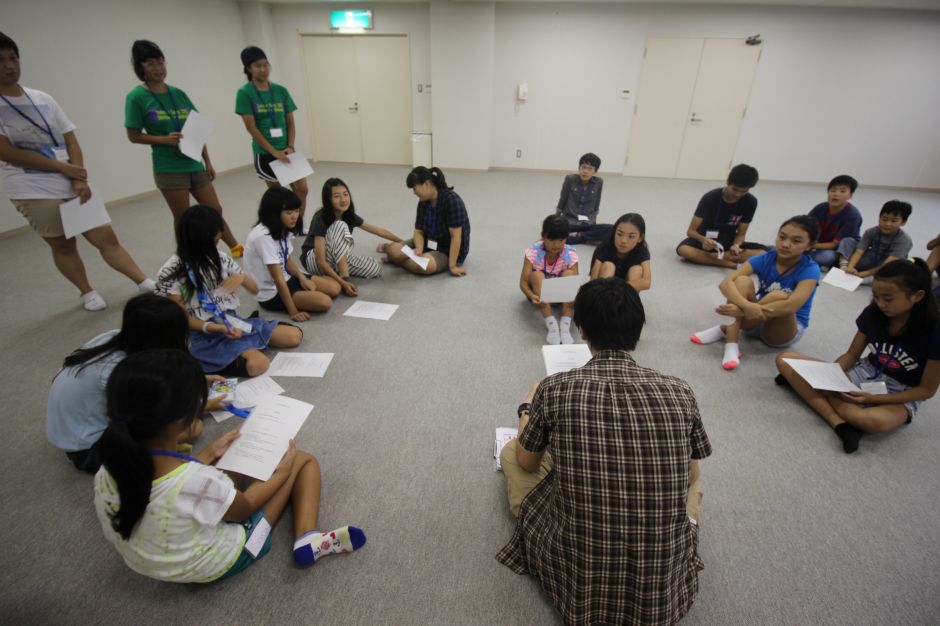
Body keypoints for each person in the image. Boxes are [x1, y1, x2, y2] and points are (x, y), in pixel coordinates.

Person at [497, 278, 711, 625]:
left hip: (579, 574)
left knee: (512, 453)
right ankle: (683, 525)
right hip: (658, 592)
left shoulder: (554, 388)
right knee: (695, 481)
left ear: (582, 330)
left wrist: (526, 408)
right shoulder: (680, 391)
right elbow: (691, 476)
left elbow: (527, 460)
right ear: (638, 328)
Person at [94, 349, 366, 583]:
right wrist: (282, 473)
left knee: (233, 463)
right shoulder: (197, 482)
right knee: (302, 460)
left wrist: (210, 452)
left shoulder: (111, 465)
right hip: (220, 559)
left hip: (153, 561)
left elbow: (179, 482)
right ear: (182, 419)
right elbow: (243, 508)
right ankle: (307, 535)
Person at [0, 32, 155, 312]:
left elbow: (70, 139)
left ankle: (143, 282)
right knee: (64, 245)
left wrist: (77, 176)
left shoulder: (42, 98)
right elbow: (7, 152)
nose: (10, 66)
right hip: (31, 187)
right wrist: (63, 168)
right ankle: (87, 292)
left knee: (106, 237)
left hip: (70, 179)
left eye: (13, 58)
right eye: (1, 61)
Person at [775, 259, 939, 454]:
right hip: (866, 372)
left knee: (872, 421)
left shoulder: (935, 331)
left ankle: (817, 395)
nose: (880, 304)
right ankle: (840, 424)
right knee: (785, 359)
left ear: (917, 296)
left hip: (902, 390)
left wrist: (874, 399)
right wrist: (834, 376)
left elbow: (926, 391)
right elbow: (852, 354)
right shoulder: (873, 312)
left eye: (888, 298)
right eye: (875, 296)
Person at [46, 294, 222, 474]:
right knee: (192, 428)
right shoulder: (123, 373)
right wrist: (202, 406)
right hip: (89, 449)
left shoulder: (115, 337)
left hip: (73, 430)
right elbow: (151, 417)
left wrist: (199, 379)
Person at [125, 40, 242, 256]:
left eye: (160, 62)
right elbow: (133, 135)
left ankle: (234, 246)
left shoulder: (178, 94)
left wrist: (207, 161)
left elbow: (197, 128)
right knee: (183, 216)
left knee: (214, 209)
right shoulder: (137, 97)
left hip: (193, 161)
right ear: (140, 68)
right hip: (169, 167)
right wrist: (163, 140)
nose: (158, 68)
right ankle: (186, 255)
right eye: (151, 64)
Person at [155, 204, 302, 376]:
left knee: (293, 336)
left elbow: (256, 290)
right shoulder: (172, 271)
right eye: (212, 242)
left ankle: (242, 349)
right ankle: (210, 358)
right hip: (201, 333)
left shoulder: (220, 258)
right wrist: (216, 328)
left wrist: (242, 278)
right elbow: (180, 320)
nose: (214, 247)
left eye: (217, 241)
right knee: (258, 364)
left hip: (230, 322)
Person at [691, 216, 820, 370]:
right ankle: (731, 344)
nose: (785, 244)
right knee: (742, 281)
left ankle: (725, 327)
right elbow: (725, 284)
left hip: (782, 329)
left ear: (810, 245)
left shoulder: (810, 269)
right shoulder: (765, 258)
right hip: (754, 317)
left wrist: (741, 311)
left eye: (796, 241)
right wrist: (746, 306)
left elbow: (791, 306)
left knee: (779, 296)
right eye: (782, 237)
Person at [235, 46, 307, 234]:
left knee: (302, 188)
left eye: (266, 64)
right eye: (258, 66)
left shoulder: (281, 91)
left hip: (287, 150)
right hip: (266, 153)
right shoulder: (245, 93)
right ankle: (278, 229)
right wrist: (273, 151)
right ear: (248, 68)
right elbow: (251, 127)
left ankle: (296, 227)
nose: (263, 69)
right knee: (278, 197)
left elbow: (290, 121)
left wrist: (290, 145)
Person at [244, 187, 339, 319]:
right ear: (274, 213)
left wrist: (302, 278)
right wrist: (293, 312)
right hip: (271, 291)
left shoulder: (281, 227)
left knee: (335, 288)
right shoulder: (263, 237)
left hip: (287, 277)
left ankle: (305, 292)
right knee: (325, 302)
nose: (295, 216)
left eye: (297, 211)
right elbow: (278, 279)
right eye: (289, 212)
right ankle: (300, 297)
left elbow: (286, 260)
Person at [301, 177, 403, 296]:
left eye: (345, 194)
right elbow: (320, 260)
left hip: (335, 259)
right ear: (328, 200)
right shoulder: (321, 218)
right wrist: (344, 282)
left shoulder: (348, 215)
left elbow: (378, 230)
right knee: (340, 225)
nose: (343, 200)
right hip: (314, 261)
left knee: (374, 268)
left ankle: (333, 275)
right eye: (337, 196)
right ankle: (343, 276)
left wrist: (402, 242)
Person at [383, 166, 470, 276]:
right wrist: (419, 247)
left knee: (422, 265)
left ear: (427, 184)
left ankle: (397, 261)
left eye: (415, 188)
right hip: (428, 241)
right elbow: (418, 231)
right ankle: (398, 258)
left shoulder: (452, 201)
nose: (414, 192)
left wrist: (452, 266)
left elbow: (456, 237)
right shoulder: (423, 202)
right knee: (392, 250)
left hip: (446, 250)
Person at [676, 163, 766, 269]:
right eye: (735, 189)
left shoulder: (751, 202)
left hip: (729, 241)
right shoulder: (710, 198)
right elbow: (691, 231)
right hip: (705, 239)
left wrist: (736, 245)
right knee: (684, 250)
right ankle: (732, 264)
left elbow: (741, 235)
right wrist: (703, 239)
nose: (738, 194)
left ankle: (711, 257)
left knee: (763, 253)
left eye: (744, 191)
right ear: (727, 182)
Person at [519, 215, 580, 345]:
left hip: (561, 297)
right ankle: (551, 325)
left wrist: (574, 297)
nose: (556, 245)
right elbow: (523, 282)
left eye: (561, 240)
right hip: (538, 295)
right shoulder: (533, 252)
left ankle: (565, 326)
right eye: (551, 240)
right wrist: (531, 295)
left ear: (566, 238)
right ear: (543, 236)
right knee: (537, 275)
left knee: (570, 274)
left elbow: (575, 284)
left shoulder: (570, 254)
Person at [839, 200, 913, 279]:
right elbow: (859, 252)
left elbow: (888, 263)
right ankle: (844, 267)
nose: (888, 224)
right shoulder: (871, 231)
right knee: (847, 241)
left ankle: (869, 277)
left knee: (892, 272)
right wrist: (850, 268)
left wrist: (861, 274)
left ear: (903, 222)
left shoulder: (905, 240)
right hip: (870, 259)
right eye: (884, 219)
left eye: (894, 221)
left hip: (886, 267)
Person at [555, 152, 612, 245]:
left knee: (611, 229)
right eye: (583, 167)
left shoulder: (599, 182)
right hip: (569, 222)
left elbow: (597, 202)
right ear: (579, 168)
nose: (585, 171)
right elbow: (563, 199)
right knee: (556, 233)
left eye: (590, 169)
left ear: (595, 171)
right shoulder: (570, 179)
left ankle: (578, 236)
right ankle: (585, 237)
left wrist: (593, 221)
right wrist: (556, 219)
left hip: (587, 223)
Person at [808, 174, 863, 270]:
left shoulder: (853, 216)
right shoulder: (820, 208)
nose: (836, 194)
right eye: (833, 190)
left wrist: (809, 246)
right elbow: (805, 225)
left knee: (826, 257)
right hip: (819, 245)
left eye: (842, 191)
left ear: (850, 195)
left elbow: (835, 245)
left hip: (839, 250)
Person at [589, 212, 652, 292]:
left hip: (626, 290)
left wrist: (618, 288)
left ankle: (628, 299)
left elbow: (646, 282)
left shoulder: (642, 250)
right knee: (608, 266)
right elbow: (593, 280)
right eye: (619, 234)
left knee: (637, 269)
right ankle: (604, 298)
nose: (624, 240)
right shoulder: (605, 247)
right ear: (614, 232)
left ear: (640, 238)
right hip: (604, 290)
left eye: (631, 236)